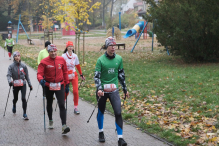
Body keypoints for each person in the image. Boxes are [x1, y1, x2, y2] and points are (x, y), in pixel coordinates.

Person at [94, 37, 130, 146]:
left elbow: (121, 75)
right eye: (111, 45)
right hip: (102, 91)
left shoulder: (119, 59)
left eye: (115, 45)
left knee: (118, 113)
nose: (113, 47)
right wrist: (99, 89)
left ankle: (120, 139)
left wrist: (125, 89)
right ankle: (101, 132)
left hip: (114, 90)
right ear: (106, 46)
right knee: (101, 111)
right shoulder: (100, 60)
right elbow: (97, 77)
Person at [37, 44, 70, 134]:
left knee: (62, 104)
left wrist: (67, 84)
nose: (53, 53)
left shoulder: (61, 59)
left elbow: (65, 72)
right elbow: (39, 73)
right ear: (48, 52)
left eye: (55, 51)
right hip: (48, 85)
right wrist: (41, 80)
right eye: (51, 51)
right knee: (49, 103)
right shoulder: (44, 62)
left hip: (60, 84)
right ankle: (50, 120)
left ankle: (64, 125)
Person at [7, 51, 33, 120]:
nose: (17, 57)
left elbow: (27, 76)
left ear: (20, 57)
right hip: (15, 84)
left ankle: (24, 114)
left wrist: (30, 84)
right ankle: (14, 104)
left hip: (23, 84)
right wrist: (10, 82)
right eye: (16, 56)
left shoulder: (23, 66)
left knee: (23, 98)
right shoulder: (11, 66)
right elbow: (8, 75)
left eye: (18, 56)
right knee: (16, 98)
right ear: (14, 57)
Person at [62, 41, 85, 114]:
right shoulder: (63, 56)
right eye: (69, 46)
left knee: (75, 91)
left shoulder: (75, 56)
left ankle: (75, 107)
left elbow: (77, 65)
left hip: (73, 74)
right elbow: (61, 66)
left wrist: (81, 74)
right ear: (67, 47)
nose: (70, 48)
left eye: (71, 46)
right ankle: (63, 102)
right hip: (66, 75)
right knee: (66, 91)